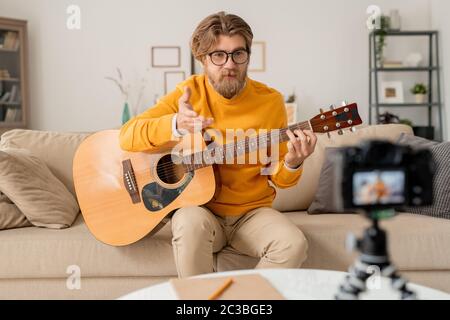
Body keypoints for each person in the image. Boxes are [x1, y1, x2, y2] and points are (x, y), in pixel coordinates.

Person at [119, 11, 318, 278]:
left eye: (238, 54)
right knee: (189, 223)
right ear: (203, 59)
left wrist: (294, 162)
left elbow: (281, 180)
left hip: (251, 214)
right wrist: (176, 123)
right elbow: (127, 135)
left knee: (293, 244)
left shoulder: (270, 102)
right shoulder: (187, 93)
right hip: (202, 213)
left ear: (248, 55)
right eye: (218, 55)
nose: (229, 64)